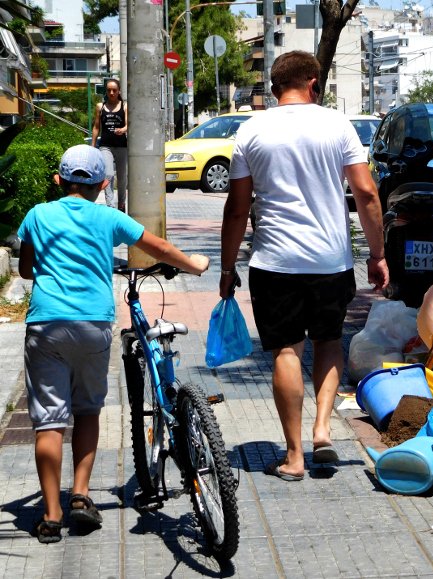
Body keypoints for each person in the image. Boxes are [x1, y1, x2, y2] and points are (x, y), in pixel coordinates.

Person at [17, 145, 210, 543]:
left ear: (59, 180)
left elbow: (25, 266)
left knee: (49, 421)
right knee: (87, 410)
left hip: (46, 324)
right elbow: (158, 247)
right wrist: (195, 264)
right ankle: (81, 496)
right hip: (93, 324)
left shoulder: (38, 215)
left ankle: (51, 515)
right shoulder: (108, 216)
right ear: (103, 184)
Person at [219, 51, 389, 481]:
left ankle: (293, 456)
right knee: (329, 341)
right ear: (314, 82)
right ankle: (322, 430)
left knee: (287, 351)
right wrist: (377, 253)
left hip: (274, 262)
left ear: (275, 89)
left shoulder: (252, 130)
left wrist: (225, 267)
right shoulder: (337, 124)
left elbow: (237, 208)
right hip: (330, 259)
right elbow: (366, 194)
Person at [91, 78, 128, 212]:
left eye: (114, 90)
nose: (111, 93)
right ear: (106, 92)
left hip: (121, 145)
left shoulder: (124, 106)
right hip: (105, 145)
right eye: (109, 90)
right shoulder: (100, 107)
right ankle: (111, 206)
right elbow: (96, 127)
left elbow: (128, 124)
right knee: (108, 174)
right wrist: (93, 146)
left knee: (122, 177)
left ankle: (121, 204)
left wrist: (123, 130)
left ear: (119, 91)